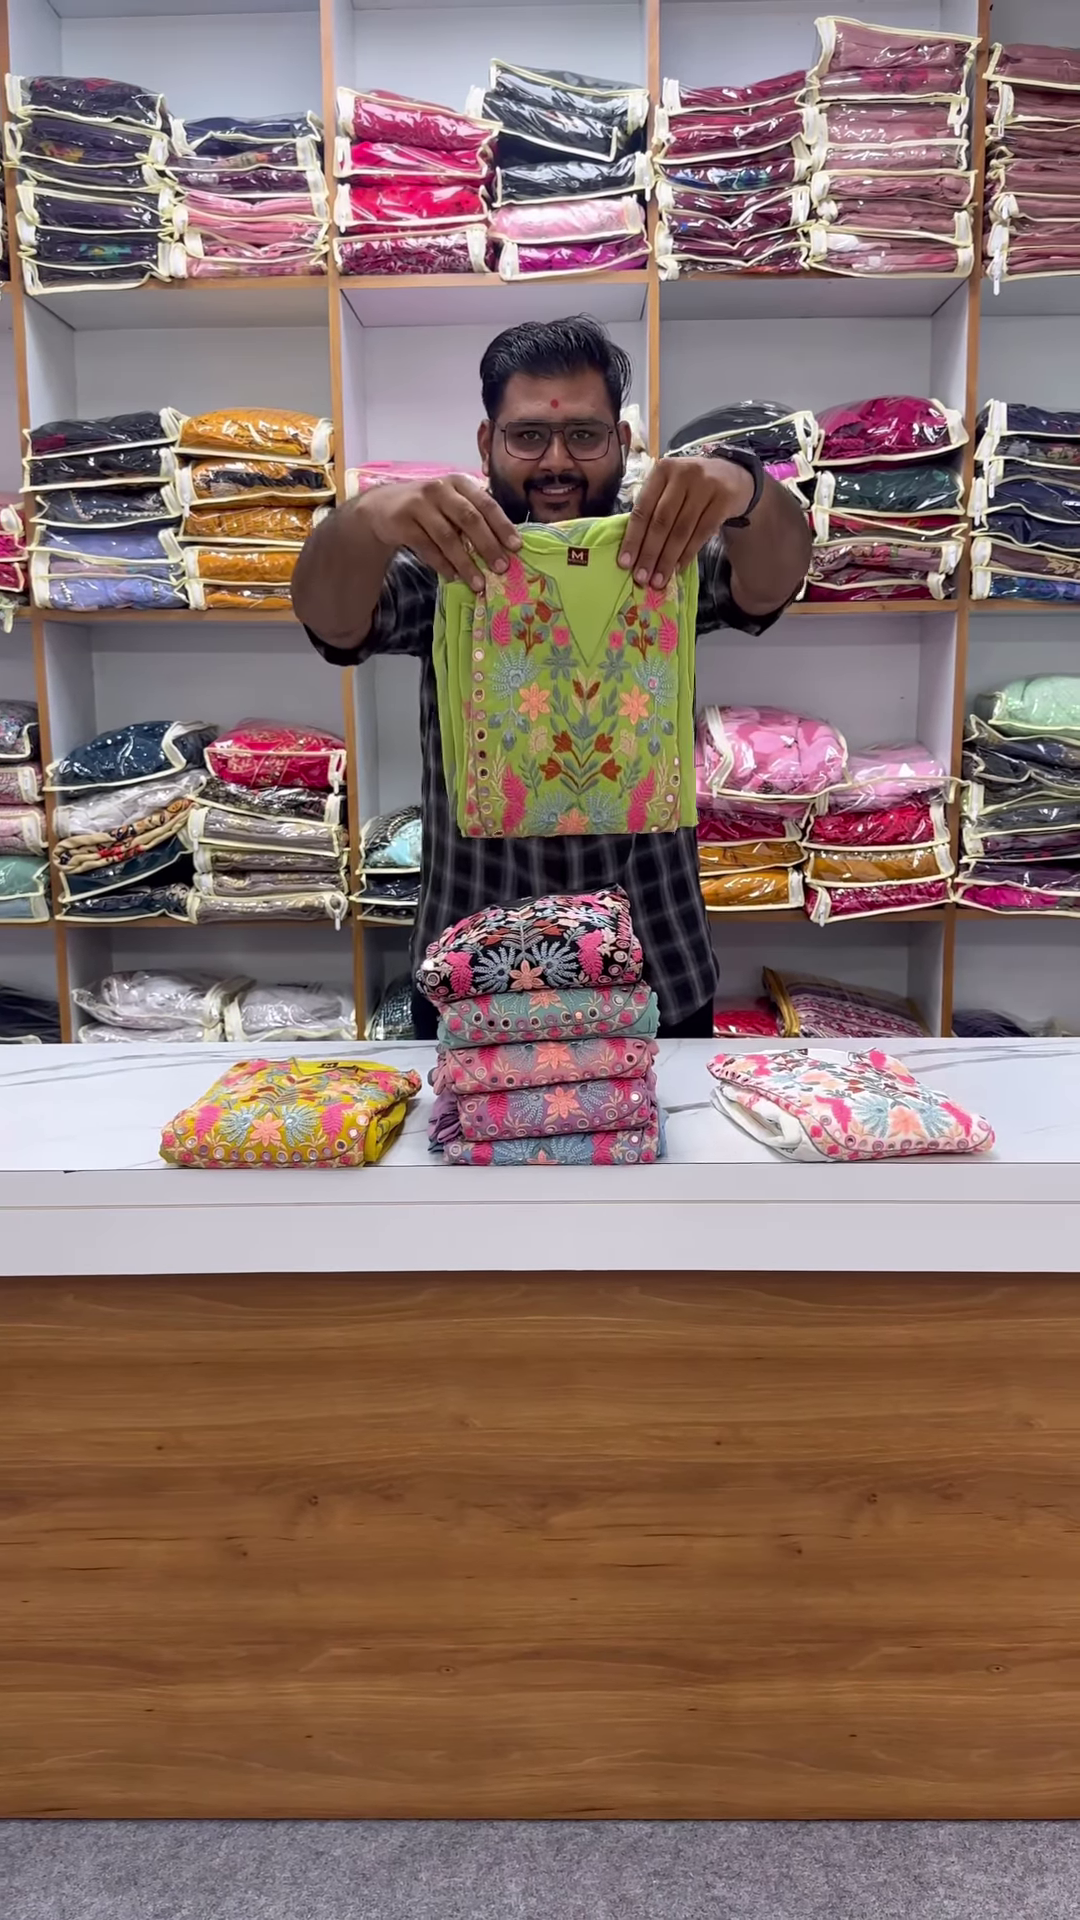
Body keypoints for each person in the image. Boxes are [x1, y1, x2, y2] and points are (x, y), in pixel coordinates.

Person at [294, 315, 811, 1038]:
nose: (556, 462)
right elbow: (333, 623)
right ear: (487, 443)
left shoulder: (660, 553)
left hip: (655, 965)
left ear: (622, 442)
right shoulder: (452, 564)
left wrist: (746, 487)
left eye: (585, 436)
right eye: (528, 435)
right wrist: (366, 520)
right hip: (471, 969)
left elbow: (770, 585)